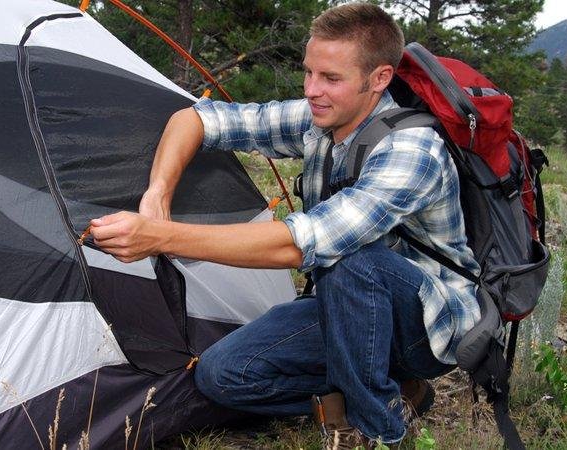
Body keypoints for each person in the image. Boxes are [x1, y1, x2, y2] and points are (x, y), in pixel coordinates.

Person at [89, 2, 479, 447]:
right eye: (309, 72)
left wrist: (160, 237)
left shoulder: (413, 151)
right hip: (347, 305)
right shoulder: (321, 118)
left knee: (352, 260)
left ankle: (379, 428)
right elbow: (196, 117)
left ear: (379, 79)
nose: (313, 90)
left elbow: (304, 244)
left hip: (426, 326)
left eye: (331, 78)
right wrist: (158, 192)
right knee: (221, 376)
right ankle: (384, 392)